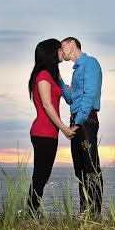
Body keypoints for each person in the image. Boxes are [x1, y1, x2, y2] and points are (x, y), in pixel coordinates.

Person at [27, 38, 77, 213]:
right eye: (59, 49)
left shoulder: (52, 76)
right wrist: (64, 128)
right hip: (43, 132)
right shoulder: (42, 76)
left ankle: (32, 213)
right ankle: (30, 214)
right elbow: (47, 105)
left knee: (42, 176)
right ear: (51, 52)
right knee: (40, 176)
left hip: (49, 133)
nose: (62, 52)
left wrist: (68, 89)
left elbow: (62, 96)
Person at [60, 36, 103, 216]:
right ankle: (85, 212)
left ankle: (94, 214)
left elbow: (89, 96)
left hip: (85, 121)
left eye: (62, 47)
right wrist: (60, 82)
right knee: (80, 170)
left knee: (91, 168)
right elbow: (71, 99)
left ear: (72, 44)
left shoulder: (90, 63)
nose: (61, 52)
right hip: (76, 120)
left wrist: (77, 123)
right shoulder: (76, 70)